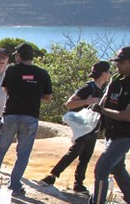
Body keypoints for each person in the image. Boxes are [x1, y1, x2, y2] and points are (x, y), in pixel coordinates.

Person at [76, 46, 130, 204]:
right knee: (117, 167)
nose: (118, 65)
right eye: (116, 62)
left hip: (126, 134)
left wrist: (102, 111)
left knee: (102, 167)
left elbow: (128, 115)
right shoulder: (116, 80)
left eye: (122, 62)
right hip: (111, 132)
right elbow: (104, 100)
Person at [0, 43, 52, 196]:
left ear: (18, 56)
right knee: (23, 153)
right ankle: (14, 186)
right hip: (30, 117)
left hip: (11, 114)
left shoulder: (11, 70)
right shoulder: (42, 74)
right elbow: (48, 97)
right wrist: (32, 92)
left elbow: (5, 89)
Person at [39, 61, 111, 193]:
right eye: (109, 72)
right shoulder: (88, 87)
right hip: (83, 127)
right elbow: (69, 103)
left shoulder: (102, 90)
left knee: (86, 156)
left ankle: (78, 184)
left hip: (93, 127)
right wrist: (87, 101)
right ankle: (52, 176)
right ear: (104, 73)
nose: (110, 74)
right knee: (75, 151)